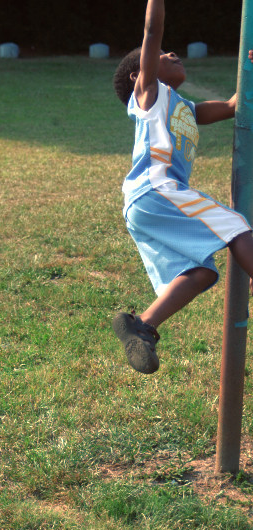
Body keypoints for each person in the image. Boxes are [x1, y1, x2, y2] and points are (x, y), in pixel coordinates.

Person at [112, 0, 253, 374]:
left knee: (201, 273)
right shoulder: (149, 95)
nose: (170, 53)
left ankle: (141, 327)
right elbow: (151, 31)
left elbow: (233, 105)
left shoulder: (185, 107)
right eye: (161, 54)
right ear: (138, 75)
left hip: (146, 203)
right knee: (236, 226)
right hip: (156, 188)